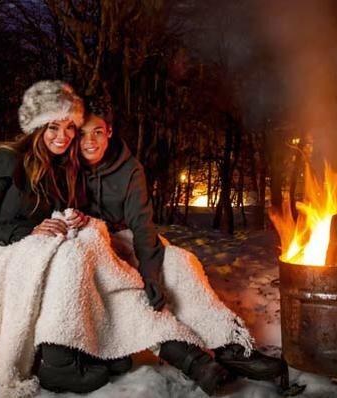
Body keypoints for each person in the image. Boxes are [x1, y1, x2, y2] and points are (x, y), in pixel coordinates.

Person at [75, 94, 285, 395]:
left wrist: (152, 273)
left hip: (123, 237)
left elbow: (142, 225)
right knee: (128, 285)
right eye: (82, 133)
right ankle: (191, 359)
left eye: (97, 132)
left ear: (109, 131)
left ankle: (230, 346)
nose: (89, 141)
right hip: (87, 243)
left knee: (180, 262)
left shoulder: (129, 168)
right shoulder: (65, 162)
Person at [0, 80, 113, 393]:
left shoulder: (61, 167)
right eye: (52, 127)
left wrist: (74, 217)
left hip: (28, 251)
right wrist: (28, 231)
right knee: (62, 257)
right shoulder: (5, 158)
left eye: (69, 128)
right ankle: (59, 364)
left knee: (84, 244)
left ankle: (98, 343)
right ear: (36, 127)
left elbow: (52, 220)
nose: (62, 137)